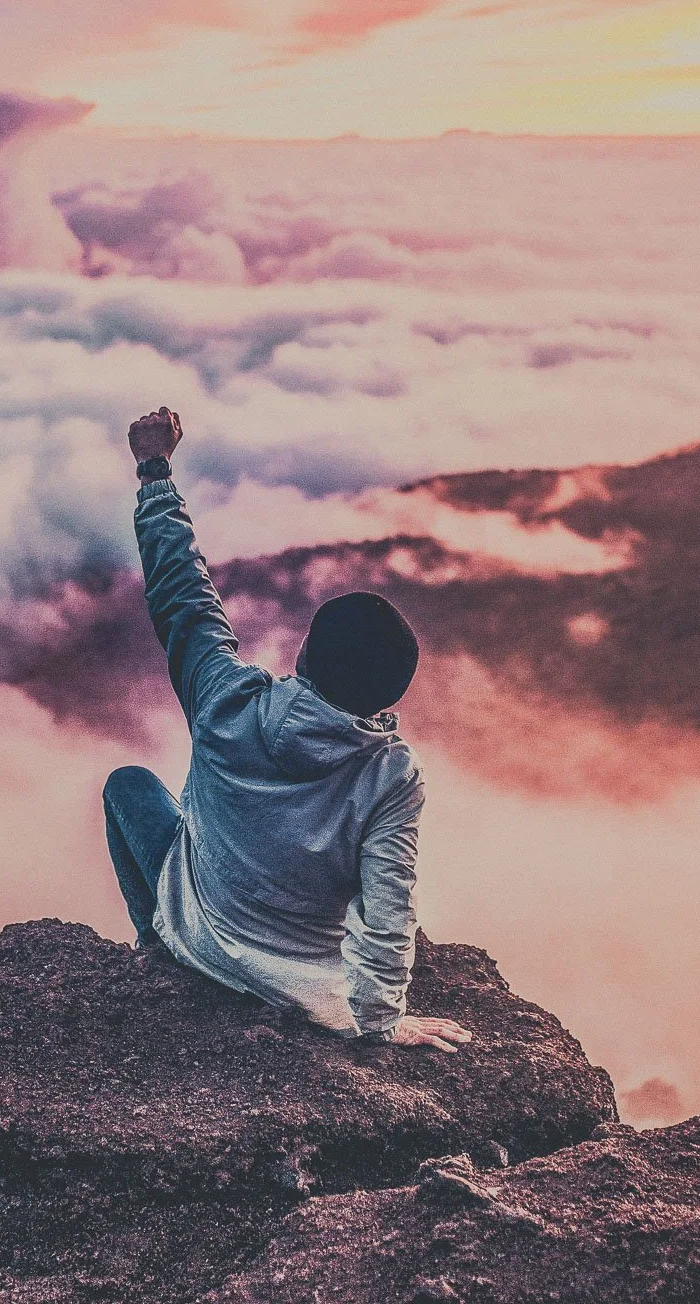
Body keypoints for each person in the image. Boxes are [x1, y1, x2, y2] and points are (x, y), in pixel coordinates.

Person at [102, 406, 472, 1053]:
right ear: (390, 694)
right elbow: (390, 912)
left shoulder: (226, 700)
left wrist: (154, 472)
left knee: (129, 786)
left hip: (201, 935)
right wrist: (382, 1022)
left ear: (304, 656)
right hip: (302, 983)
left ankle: (155, 942)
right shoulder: (391, 776)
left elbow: (183, 596)